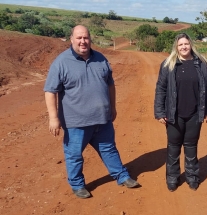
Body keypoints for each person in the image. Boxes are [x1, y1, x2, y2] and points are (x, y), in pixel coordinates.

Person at [44, 25, 140, 199]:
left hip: (102, 119)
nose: (83, 41)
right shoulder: (61, 62)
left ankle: (122, 176)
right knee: (74, 156)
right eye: (79, 38)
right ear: (71, 39)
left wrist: (112, 107)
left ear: (90, 39)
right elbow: (50, 91)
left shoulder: (101, 59)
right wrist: (53, 118)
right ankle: (77, 185)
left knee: (109, 149)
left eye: (86, 38)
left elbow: (110, 84)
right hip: (76, 123)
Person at [154, 33, 207, 192]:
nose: (184, 47)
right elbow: (161, 88)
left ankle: (192, 177)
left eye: (186, 44)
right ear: (176, 47)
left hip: (195, 114)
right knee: (173, 147)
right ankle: (172, 178)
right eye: (180, 45)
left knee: (191, 147)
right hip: (174, 114)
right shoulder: (168, 64)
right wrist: (159, 112)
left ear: (191, 44)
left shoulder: (201, 63)